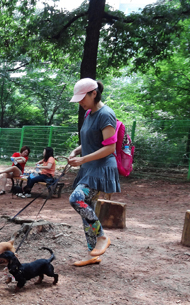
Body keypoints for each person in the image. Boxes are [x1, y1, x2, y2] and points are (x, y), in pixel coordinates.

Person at [67, 78, 120, 266]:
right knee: (85, 211)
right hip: (89, 167)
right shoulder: (90, 113)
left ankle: (102, 236)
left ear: (94, 93)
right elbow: (90, 140)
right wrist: (76, 151)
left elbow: (110, 147)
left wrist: (83, 159)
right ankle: (93, 255)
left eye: (83, 98)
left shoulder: (106, 114)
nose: (80, 102)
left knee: (76, 199)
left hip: (101, 168)